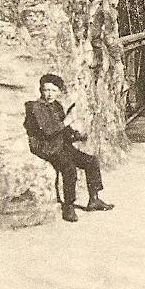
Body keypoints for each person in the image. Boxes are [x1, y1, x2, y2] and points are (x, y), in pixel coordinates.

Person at [24, 74, 114, 223]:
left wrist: (75, 135)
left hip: (61, 145)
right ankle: (69, 205)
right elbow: (48, 131)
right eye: (46, 90)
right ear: (41, 90)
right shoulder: (36, 107)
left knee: (91, 161)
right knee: (69, 167)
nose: (49, 94)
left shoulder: (56, 105)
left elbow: (62, 129)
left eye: (53, 90)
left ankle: (94, 199)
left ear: (58, 91)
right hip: (47, 147)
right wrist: (67, 121)